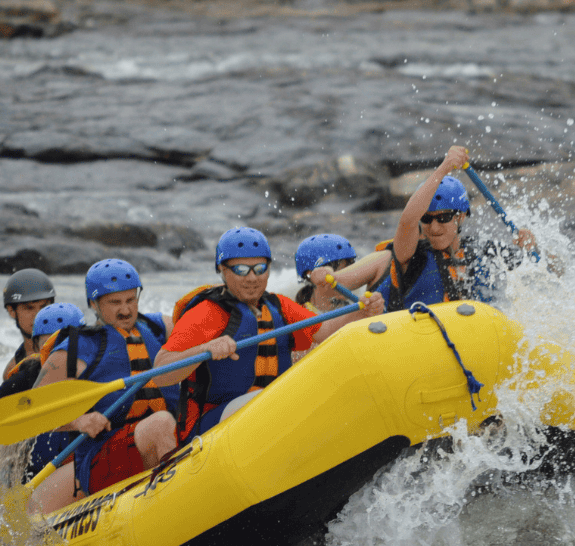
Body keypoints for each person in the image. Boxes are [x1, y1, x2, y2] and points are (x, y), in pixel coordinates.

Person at [153, 227, 385, 445]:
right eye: (241, 270)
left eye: (260, 269)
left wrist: (360, 312)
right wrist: (204, 350)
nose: (252, 278)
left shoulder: (279, 306)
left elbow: (323, 332)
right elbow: (161, 372)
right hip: (211, 426)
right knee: (270, 400)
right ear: (223, 271)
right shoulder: (205, 313)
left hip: (272, 414)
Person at [28, 259, 180, 513]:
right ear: (93, 304)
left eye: (130, 300)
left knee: (169, 422)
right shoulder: (78, 347)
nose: (125, 310)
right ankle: (176, 506)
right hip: (104, 455)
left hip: (158, 438)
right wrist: (79, 421)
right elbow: (33, 411)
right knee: (161, 423)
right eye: (114, 303)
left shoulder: (158, 327)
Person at [313, 145, 539, 310]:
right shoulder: (410, 256)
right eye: (427, 219)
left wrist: (533, 249)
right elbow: (408, 221)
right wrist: (444, 168)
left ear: (460, 217)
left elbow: (552, 273)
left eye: (443, 218)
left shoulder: (485, 251)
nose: (433, 226)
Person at [0, 302, 85, 477]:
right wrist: (2, 452)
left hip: (81, 463)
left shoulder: (102, 366)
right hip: (35, 472)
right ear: (37, 347)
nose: (57, 355)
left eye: (64, 345)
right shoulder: (27, 377)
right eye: (49, 347)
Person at [0, 268, 58, 379]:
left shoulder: (74, 344)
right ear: (12, 311)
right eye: (29, 308)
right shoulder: (12, 371)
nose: (38, 315)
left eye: (43, 307)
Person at [292, 234, 357, 310]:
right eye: (341, 274)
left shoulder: (356, 305)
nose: (349, 281)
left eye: (349, 273)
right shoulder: (297, 315)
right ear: (310, 275)